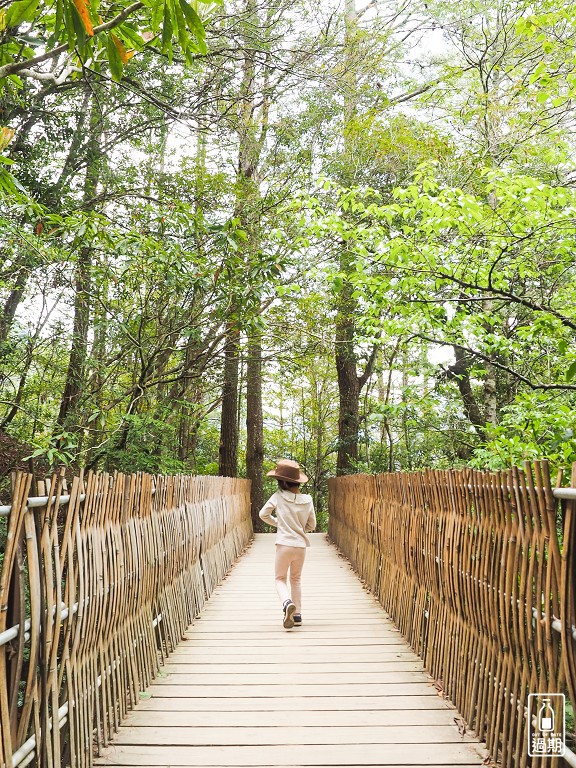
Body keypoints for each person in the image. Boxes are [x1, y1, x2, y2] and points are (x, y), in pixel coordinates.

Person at [259, 459, 316, 629]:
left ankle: (286, 603)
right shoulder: (308, 500)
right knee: (296, 579)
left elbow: (263, 514)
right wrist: (299, 527)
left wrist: (279, 523)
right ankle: (297, 614)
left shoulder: (278, 496)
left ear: (282, 482)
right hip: (300, 546)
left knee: (280, 579)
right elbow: (311, 525)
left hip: (284, 544)